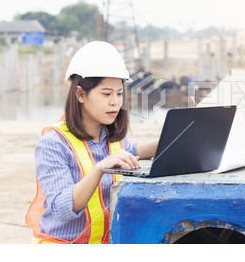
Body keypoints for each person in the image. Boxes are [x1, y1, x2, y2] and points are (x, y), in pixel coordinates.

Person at [25, 41, 158, 244]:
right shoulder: (53, 144)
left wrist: (176, 137)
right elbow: (61, 208)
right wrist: (99, 169)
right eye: (106, 94)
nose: (115, 102)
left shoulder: (109, 137)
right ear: (80, 94)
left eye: (119, 93)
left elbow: (134, 150)